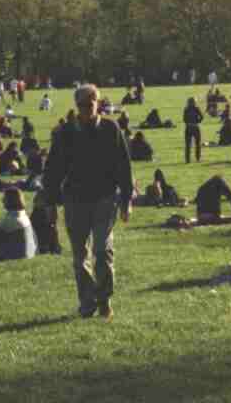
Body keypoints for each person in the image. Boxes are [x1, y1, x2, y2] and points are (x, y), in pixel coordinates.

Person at [41, 84, 133, 320]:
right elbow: (53, 171)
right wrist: (50, 203)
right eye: (81, 105)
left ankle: (104, 299)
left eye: (89, 104)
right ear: (76, 106)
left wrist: (126, 200)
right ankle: (87, 303)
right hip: (75, 201)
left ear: (97, 103)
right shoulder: (65, 134)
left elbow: (124, 166)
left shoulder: (111, 129)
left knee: (102, 251)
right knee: (80, 257)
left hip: (105, 198)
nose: (85, 109)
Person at [0, 187, 38, 260]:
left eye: (4, 198)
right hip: (29, 252)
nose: (2, 200)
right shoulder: (23, 214)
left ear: (10, 200)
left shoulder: (10, 219)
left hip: (14, 255)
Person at [182, 96, 204, 163]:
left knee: (188, 145)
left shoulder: (186, 109)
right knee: (197, 144)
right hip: (195, 127)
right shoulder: (196, 108)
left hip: (188, 127)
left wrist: (188, 122)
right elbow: (202, 117)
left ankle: (187, 160)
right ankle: (198, 158)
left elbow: (184, 119)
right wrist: (197, 121)